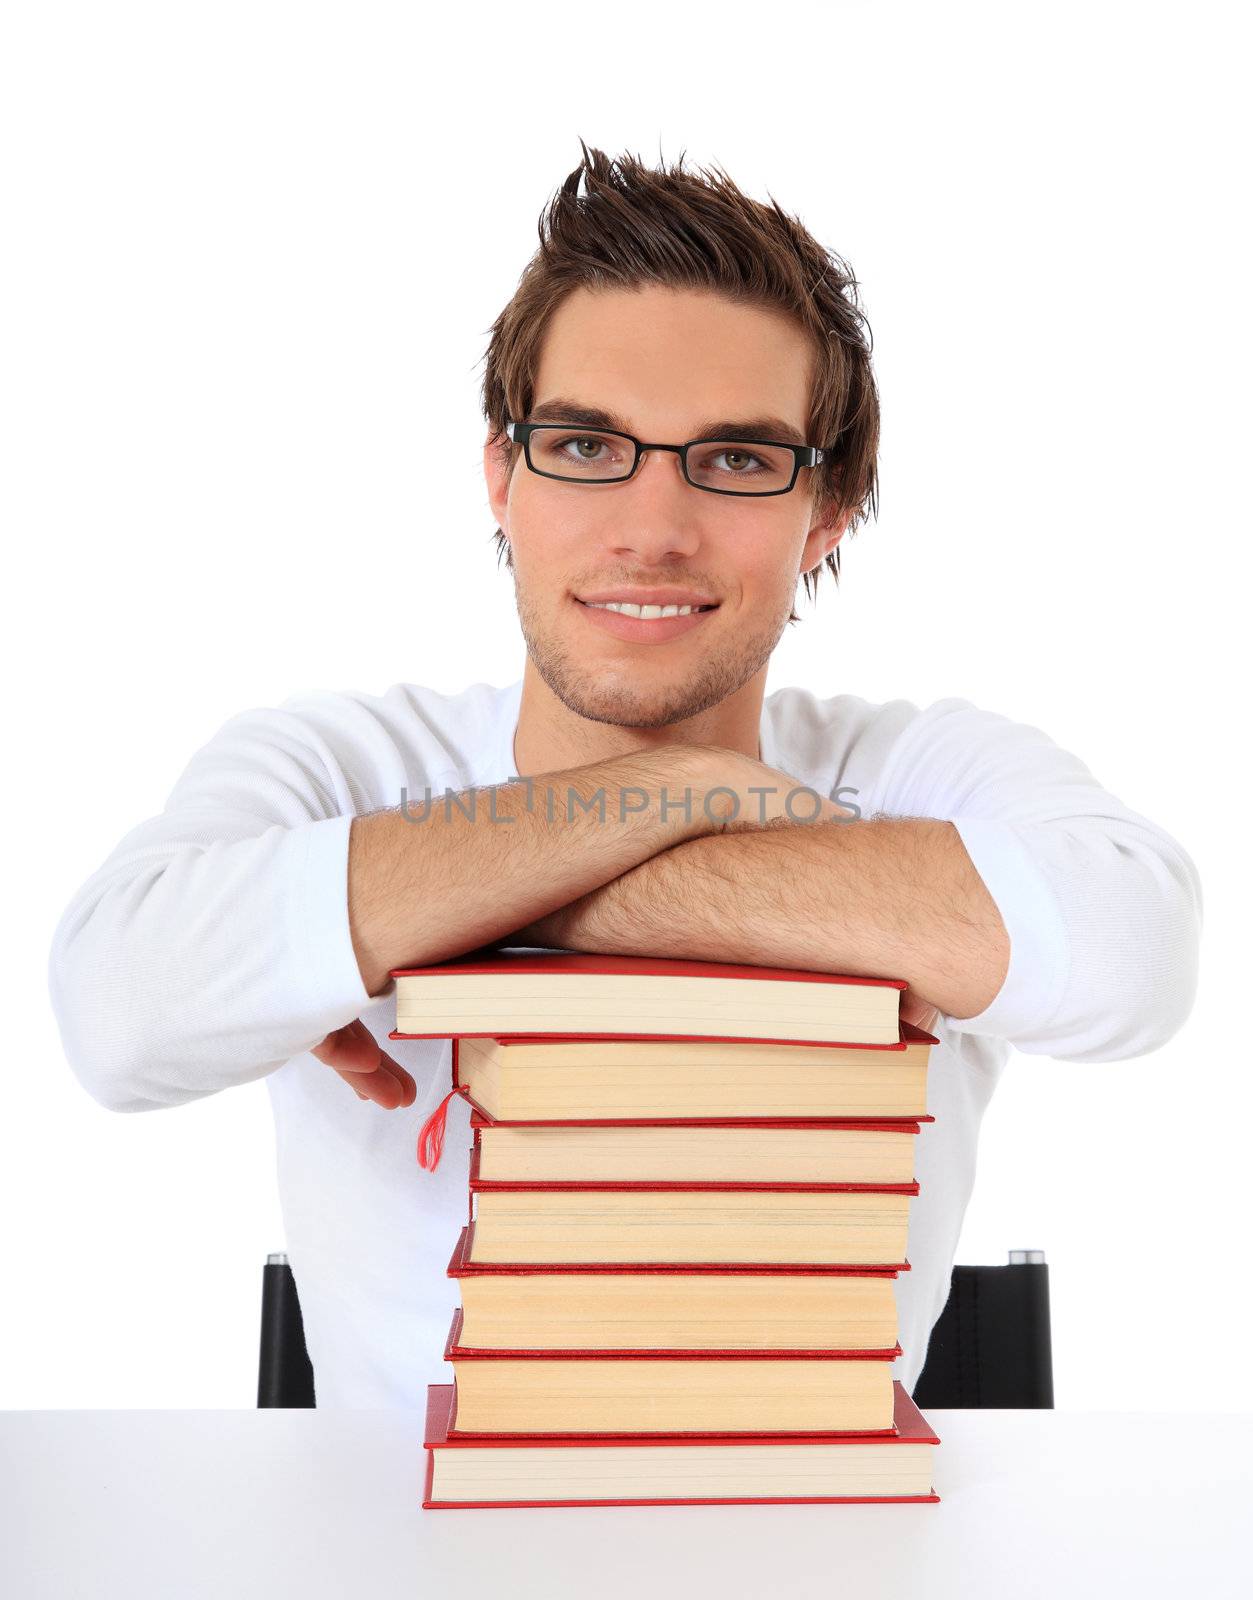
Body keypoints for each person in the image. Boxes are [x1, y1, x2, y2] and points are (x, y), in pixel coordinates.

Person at [47, 141, 1202, 1407]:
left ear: (828, 513)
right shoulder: (335, 760)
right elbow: (118, 1009)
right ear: (501, 476)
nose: (652, 527)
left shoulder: (923, 764)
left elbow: (1126, 956)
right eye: (587, 446)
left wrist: (416, 910)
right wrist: (686, 792)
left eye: (738, 460)